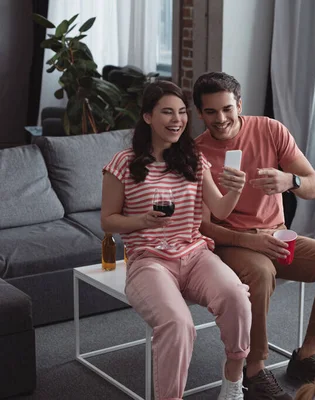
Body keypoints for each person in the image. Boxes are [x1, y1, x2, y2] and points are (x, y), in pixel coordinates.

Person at [193, 71, 315, 400]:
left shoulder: (269, 129)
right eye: (210, 112)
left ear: (239, 105)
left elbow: (314, 186)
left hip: (277, 235)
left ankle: (305, 355)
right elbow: (205, 226)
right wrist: (253, 241)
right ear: (200, 113)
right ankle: (255, 370)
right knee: (260, 273)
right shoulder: (197, 153)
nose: (220, 119)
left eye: (227, 109)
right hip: (231, 242)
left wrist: (290, 181)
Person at [100, 81, 252, 400]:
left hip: (196, 255)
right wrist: (142, 220)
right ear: (147, 117)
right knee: (177, 323)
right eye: (167, 112)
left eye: (182, 112)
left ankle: (233, 381)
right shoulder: (123, 164)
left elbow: (221, 208)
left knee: (236, 296)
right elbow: (107, 220)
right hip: (149, 261)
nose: (177, 120)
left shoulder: (193, 160)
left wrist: (236, 188)